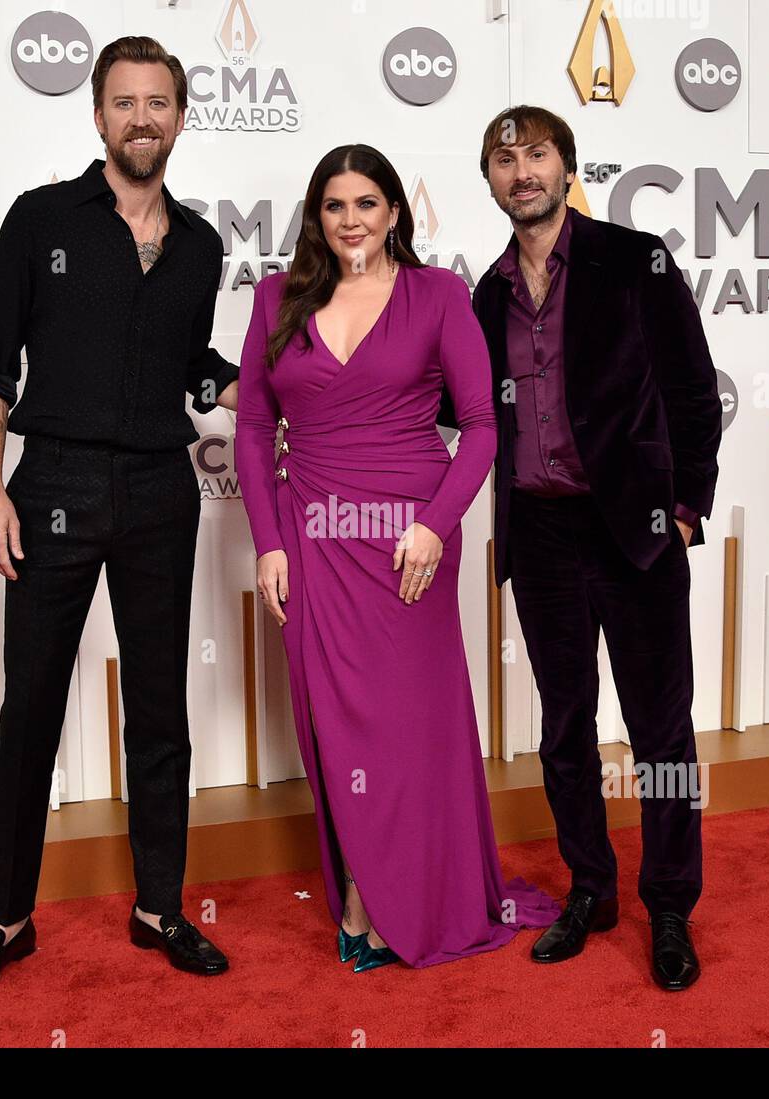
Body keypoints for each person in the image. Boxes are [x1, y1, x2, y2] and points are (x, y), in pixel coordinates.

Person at [0, 36, 237, 1001]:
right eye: (125, 102)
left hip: (161, 488)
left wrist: (268, 388)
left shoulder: (201, 245)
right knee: (31, 708)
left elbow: (189, 363)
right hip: (52, 485)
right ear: (97, 117)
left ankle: (159, 909)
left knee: (160, 706)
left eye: (160, 103)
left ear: (181, 118)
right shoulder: (39, 220)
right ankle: (8, 921)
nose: (142, 119)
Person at [235, 143, 561, 972]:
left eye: (368, 204)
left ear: (394, 213)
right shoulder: (277, 299)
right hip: (311, 537)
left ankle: (412, 898)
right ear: (317, 217)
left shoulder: (437, 294)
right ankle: (358, 894)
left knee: (409, 730)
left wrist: (435, 526)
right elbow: (249, 429)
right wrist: (268, 541)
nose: (352, 221)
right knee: (336, 727)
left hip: (408, 541)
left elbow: (484, 427)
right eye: (336, 206)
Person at [452, 106, 722, 990]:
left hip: (636, 533)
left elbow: (691, 387)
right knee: (565, 727)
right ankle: (591, 889)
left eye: (537, 155)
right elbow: (457, 410)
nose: (521, 172)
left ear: (567, 167)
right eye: (505, 160)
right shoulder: (484, 295)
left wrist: (684, 509)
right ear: (489, 180)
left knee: (662, 732)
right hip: (540, 535)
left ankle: (671, 904)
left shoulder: (633, 259)